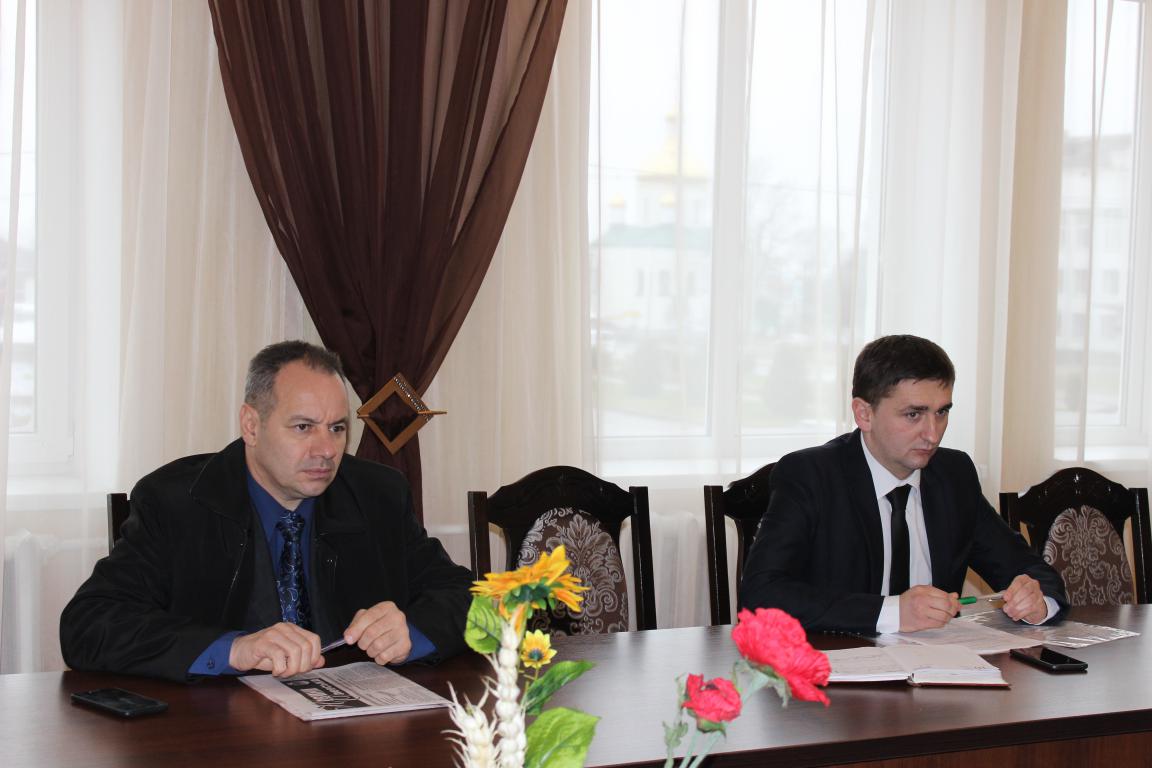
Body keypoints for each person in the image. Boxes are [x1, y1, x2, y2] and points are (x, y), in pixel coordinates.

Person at [61, 341, 474, 682]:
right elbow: (89, 625)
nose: (326, 450)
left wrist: (412, 631)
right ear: (251, 425)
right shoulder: (176, 503)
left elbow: (472, 600)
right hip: (219, 733)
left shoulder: (377, 495)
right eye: (303, 427)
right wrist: (234, 648)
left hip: (350, 733)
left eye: (337, 428)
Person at [738, 335, 1068, 634]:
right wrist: (893, 612)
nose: (933, 434)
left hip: (940, 669)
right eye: (914, 415)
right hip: (837, 666)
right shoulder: (811, 475)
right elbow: (761, 594)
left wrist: (1037, 602)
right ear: (864, 414)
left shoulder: (953, 475)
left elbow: (1031, 571)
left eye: (942, 412)